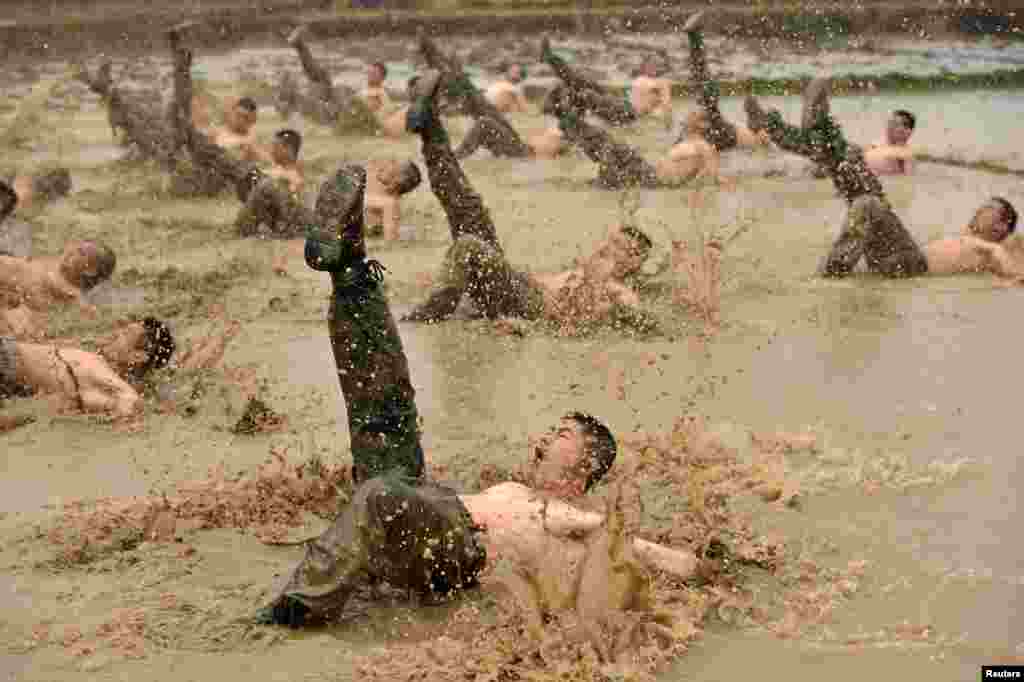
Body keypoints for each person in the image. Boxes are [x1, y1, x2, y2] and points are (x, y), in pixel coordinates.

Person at [402, 71, 653, 324]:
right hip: (514, 286)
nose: (607, 248)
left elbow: (631, 319)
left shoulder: (619, 293)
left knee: (469, 244)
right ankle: (430, 129)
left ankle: (430, 312)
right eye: (611, 241)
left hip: (524, 303)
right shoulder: (580, 272)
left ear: (634, 261)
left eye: (619, 248)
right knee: (468, 207)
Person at [744, 78, 1021, 278]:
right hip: (898, 257)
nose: (979, 210)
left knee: (867, 200)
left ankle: (831, 274)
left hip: (913, 263)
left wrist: (1013, 278)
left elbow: (1004, 256)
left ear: (1000, 227)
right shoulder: (967, 238)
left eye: (988, 211)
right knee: (849, 173)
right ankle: (779, 127)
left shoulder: (989, 247)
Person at [302, 164, 426, 484]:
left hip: (388, 489)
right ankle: (350, 271)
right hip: (391, 489)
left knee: (383, 415)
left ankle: (350, 270)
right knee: (380, 414)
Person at [545, 87, 719, 190]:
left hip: (653, 181)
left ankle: (569, 117)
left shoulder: (703, 146)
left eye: (693, 115)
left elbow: (713, 176)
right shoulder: (685, 140)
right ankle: (570, 118)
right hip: (646, 171)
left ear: (703, 125)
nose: (688, 116)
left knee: (610, 145)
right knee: (610, 145)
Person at [0, 317, 175, 417]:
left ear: (137, 356)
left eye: (126, 333)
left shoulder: (109, 377)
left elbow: (131, 400)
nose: (116, 333)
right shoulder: (97, 363)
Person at [418, 33, 555, 160]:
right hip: (518, 144)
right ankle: (438, 60)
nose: (514, 71)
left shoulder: (566, 137)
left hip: (523, 152)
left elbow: (526, 111)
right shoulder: (558, 129)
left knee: (484, 119)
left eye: (518, 72)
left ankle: (454, 156)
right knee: (477, 100)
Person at [282, 26, 399, 136]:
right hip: (341, 112)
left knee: (326, 80)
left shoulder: (381, 94)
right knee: (320, 80)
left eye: (374, 74)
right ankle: (299, 46)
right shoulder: (365, 89)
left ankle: (300, 46)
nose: (370, 75)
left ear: (382, 78)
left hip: (351, 117)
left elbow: (377, 114)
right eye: (370, 72)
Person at [0, 230, 115, 315]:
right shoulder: (54, 265)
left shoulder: (69, 294)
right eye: (75, 246)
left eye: (81, 252)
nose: (70, 251)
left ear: (90, 271)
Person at [864, 110, 916, 176]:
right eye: (889, 123)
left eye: (894, 124)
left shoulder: (907, 155)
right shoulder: (874, 145)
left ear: (907, 131)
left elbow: (908, 178)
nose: (888, 127)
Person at [265, 129, 305, 196]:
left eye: (275, 147)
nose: (271, 151)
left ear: (289, 149)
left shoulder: (294, 178)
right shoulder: (275, 170)